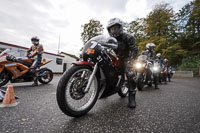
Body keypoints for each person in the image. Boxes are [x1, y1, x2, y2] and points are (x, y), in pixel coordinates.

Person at [107, 18, 138, 108]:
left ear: (120, 28)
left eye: (115, 28)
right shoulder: (110, 39)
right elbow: (105, 47)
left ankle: (132, 97)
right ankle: (105, 90)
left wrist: (131, 59)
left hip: (127, 58)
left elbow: (134, 49)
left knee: (130, 73)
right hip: (117, 58)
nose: (113, 30)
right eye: (111, 29)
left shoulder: (128, 37)